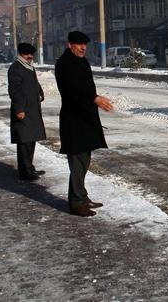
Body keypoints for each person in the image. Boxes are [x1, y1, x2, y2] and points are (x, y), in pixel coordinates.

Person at [55, 31, 114, 217]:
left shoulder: (81, 62)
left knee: (84, 160)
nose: (83, 48)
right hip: (74, 120)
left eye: (85, 45)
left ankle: (81, 196)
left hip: (85, 119)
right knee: (78, 162)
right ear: (69, 44)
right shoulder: (64, 64)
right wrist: (94, 98)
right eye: (79, 44)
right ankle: (76, 203)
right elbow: (71, 91)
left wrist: (93, 100)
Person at [8, 43, 47, 181]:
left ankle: (29, 167)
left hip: (32, 109)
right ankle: (25, 172)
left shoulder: (29, 67)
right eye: (27, 54)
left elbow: (35, 83)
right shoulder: (15, 68)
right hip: (23, 110)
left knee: (31, 140)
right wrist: (19, 109)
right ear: (21, 54)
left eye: (31, 55)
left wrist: (40, 93)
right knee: (24, 141)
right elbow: (14, 91)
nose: (30, 57)